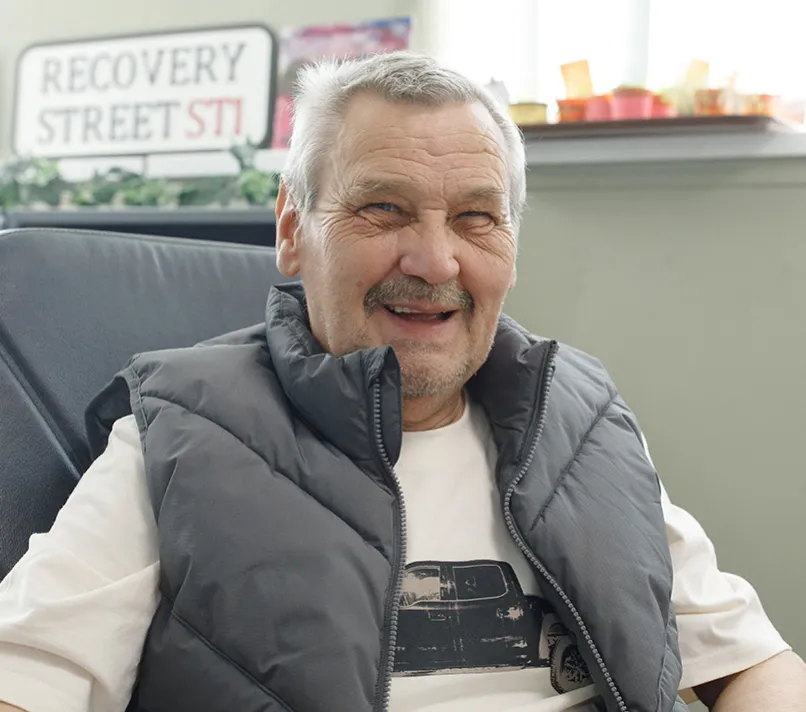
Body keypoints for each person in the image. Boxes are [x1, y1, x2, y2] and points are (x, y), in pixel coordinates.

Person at [0, 52, 803, 712]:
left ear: (512, 248)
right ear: (292, 232)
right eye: (384, 209)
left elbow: (750, 663)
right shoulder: (174, 438)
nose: (434, 262)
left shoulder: (583, 425)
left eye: (475, 218)